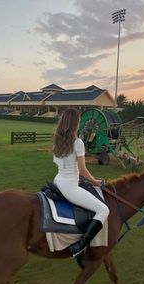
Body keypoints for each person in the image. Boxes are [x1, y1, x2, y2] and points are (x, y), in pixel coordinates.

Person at [53, 108, 109, 267]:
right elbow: (83, 170)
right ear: (75, 123)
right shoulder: (78, 143)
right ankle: (79, 246)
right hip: (69, 186)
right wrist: (95, 182)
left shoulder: (57, 140)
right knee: (104, 210)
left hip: (58, 180)